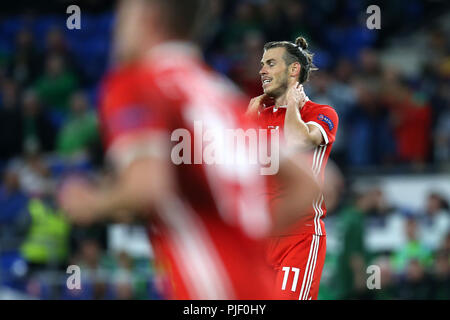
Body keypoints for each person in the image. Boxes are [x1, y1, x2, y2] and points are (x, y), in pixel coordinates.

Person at [60, 0, 319, 300]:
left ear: (148, 15)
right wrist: (244, 235)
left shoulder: (136, 81)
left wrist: (89, 203)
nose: (115, 28)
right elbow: (313, 184)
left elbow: (147, 187)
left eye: (122, 14)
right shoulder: (218, 91)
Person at [246, 37, 339, 300]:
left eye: (270, 63)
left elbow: (298, 139)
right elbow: (230, 170)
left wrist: (291, 108)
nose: (262, 70)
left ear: (293, 69)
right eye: (262, 64)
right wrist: (246, 120)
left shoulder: (321, 112)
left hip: (299, 238)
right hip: (258, 239)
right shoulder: (258, 115)